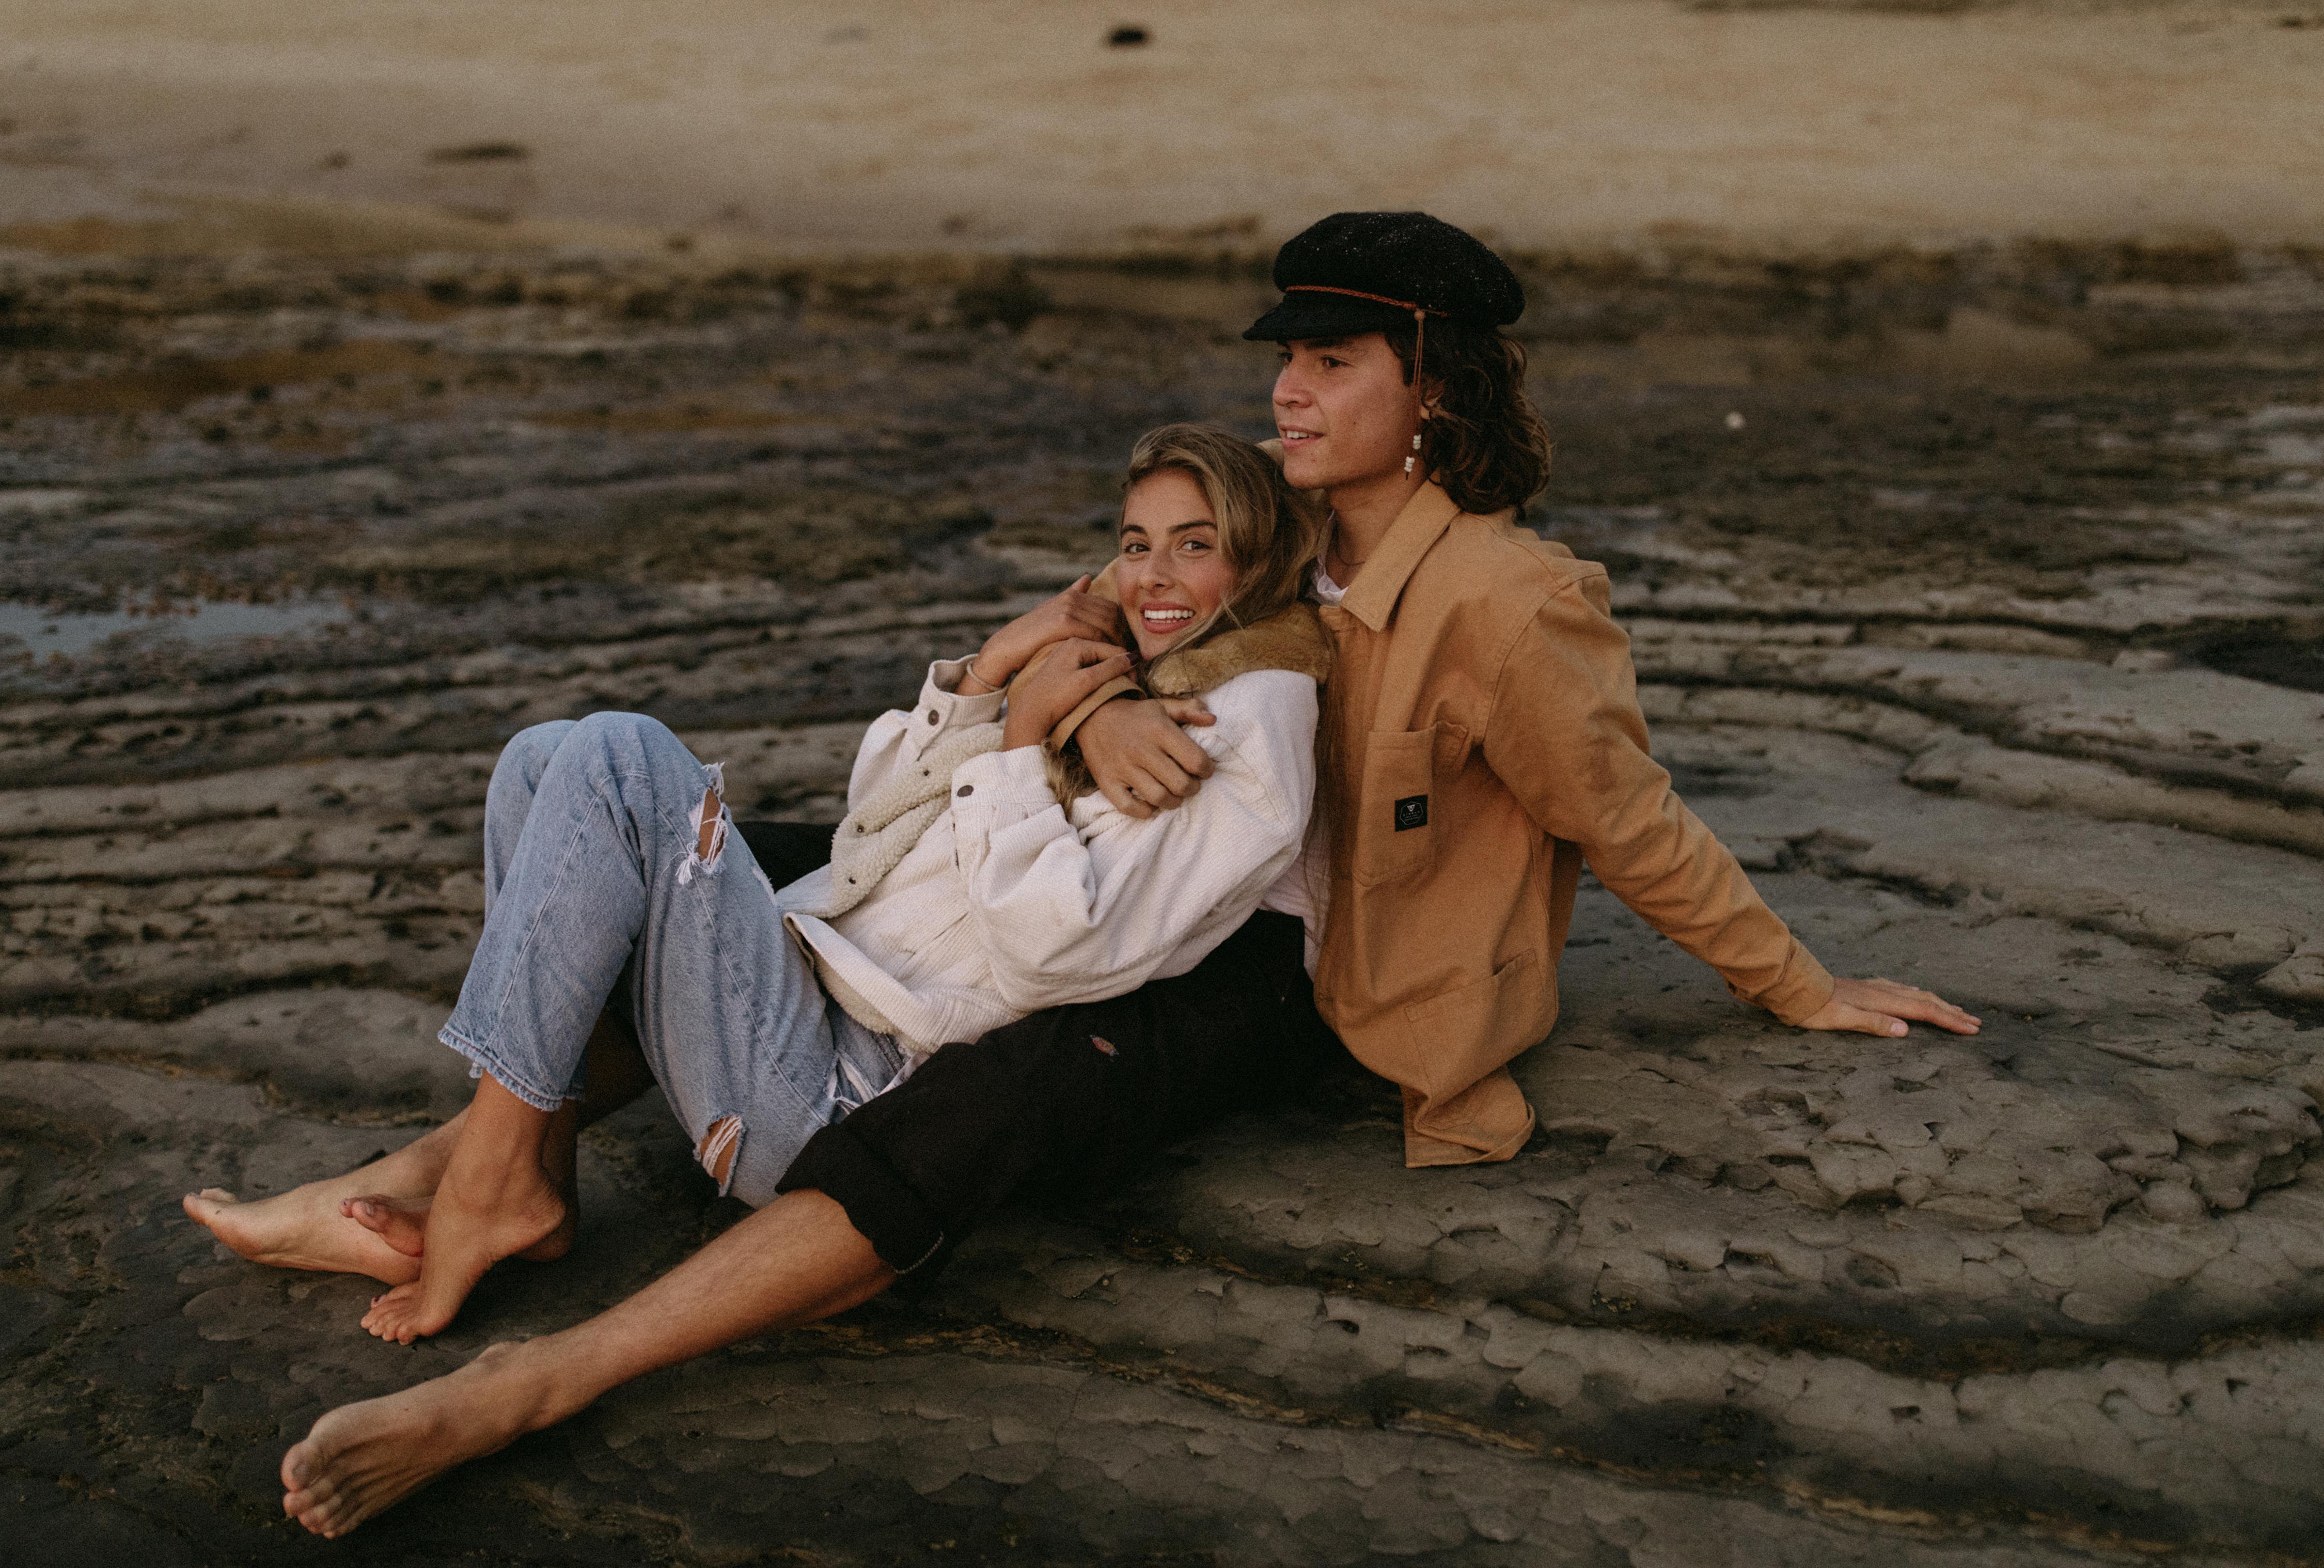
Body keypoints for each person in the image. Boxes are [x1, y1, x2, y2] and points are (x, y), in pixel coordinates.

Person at [243, 214, 1978, 1537]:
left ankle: (530, 1356)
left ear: (1435, 389)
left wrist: (1794, 981)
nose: (1288, 390)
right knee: (692, 832)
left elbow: (1627, 810)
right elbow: (1068, 658)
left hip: (1287, 963)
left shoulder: (1511, 602)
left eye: (1332, 362)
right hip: (1107, 854)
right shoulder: (1258, 522)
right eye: (1284, 359)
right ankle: (480, 1157)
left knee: (981, 1064)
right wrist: (1075, 704)